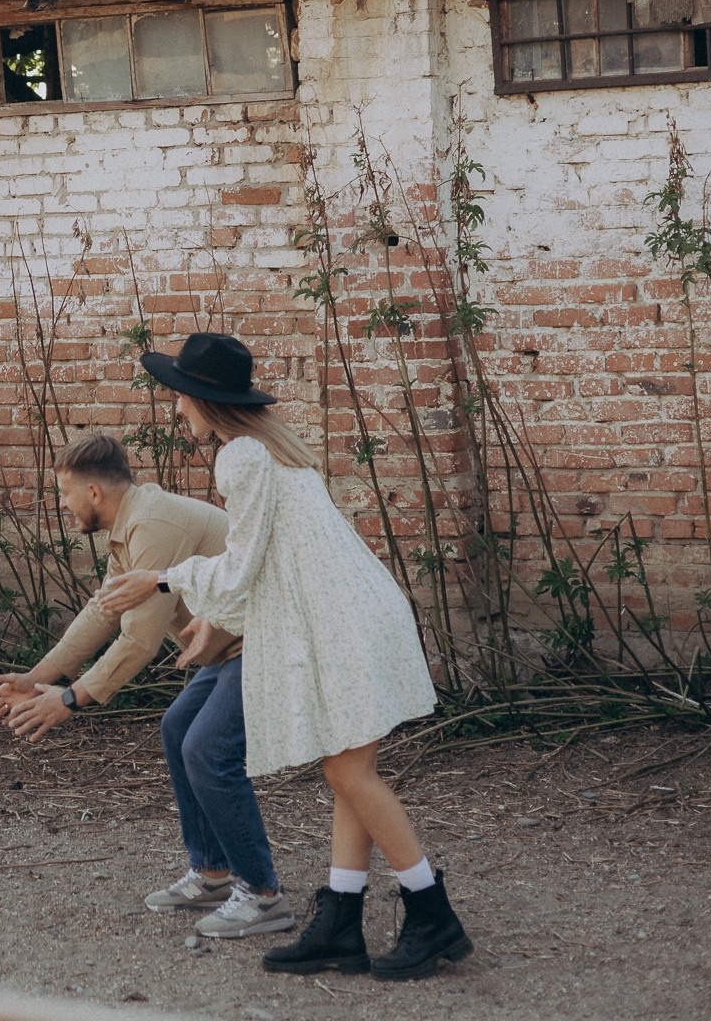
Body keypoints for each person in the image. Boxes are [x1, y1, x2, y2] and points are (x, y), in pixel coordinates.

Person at [98, 331, 472, 982]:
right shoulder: (274, 450)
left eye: (179, 396)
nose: (176, 408)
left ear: (202, 399)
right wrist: (216, 619)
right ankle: (341, 923)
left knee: (352, 775)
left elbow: (241, 568)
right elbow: (274, 567)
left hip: (342, 625)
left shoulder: (240, 457)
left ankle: (431, 913)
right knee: (346, 772)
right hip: (352, 615)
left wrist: (163, 580)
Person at [0, 431, 294, 941]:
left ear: (94, 492)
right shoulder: (130, 525)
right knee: (178, 728)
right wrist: (37, 678)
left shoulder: (152, 524)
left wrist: (71, 699)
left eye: (64, 493)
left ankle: (263, 894)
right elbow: (103, 611)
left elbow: (140, 640)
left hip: (268, 641)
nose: (62, 505)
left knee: (206, 748)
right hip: (231, 647)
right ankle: (213, 873)